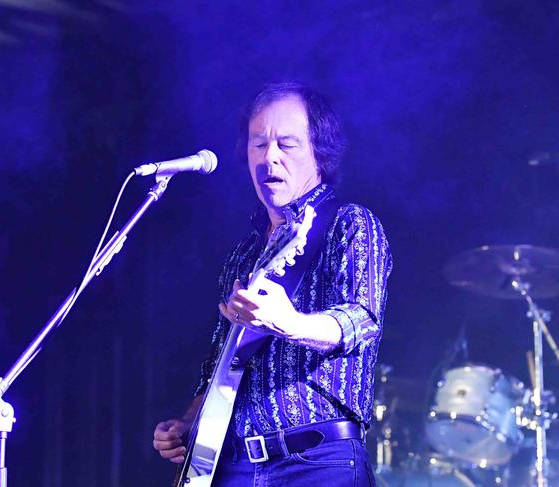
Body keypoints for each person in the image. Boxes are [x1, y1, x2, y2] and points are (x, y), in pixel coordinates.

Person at [153, 82, 393, 486]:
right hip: (234, 466)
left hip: (317, 462)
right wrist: (187, 423)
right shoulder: (243, 253)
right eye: (258, 144)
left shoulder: (350, 223)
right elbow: (220, 363)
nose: (270, 157)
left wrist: (289, 321)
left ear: (320, 151)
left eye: (287, 144)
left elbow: (361, 319)